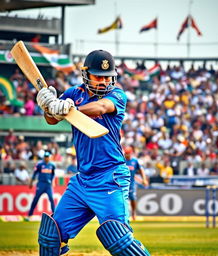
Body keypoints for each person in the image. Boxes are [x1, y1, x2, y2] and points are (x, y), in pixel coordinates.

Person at [36, 49, 150, 256]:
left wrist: (69, 110)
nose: (103, 82)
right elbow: (52, 119)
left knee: (120, 239)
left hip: (110, 176)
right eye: (98, 76)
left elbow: (100, 107)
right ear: (86, 74)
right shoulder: (73, 94)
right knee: (50, 237)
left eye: (108, 77)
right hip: (82, 181)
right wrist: (48, 106)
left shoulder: (117, 95)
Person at [26, 151, 55, 220]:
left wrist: (52, 181)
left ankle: (55, 215)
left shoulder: (52, 165)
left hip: (48, 185)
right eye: (45, 157)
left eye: (47, 157)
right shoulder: (40, 164)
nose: (46, 158)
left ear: (49, 157)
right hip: (41, 184)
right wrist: (31, 182)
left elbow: (53, 174)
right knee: (36, 199)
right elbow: (34, 173)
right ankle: (30, 214)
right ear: (44, 157)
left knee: (51, 199)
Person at [124, 146, 148, 221]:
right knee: (123, 199)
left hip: (131, 183)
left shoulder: (135, 161)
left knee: (133, 198)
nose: (126, 155)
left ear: (131, 153)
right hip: (122, 183)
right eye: (126, 153)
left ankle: (134, 212)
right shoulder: (122, 160)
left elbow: (141, 170)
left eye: (128, 154)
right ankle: (125, 214)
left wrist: (144, 179)